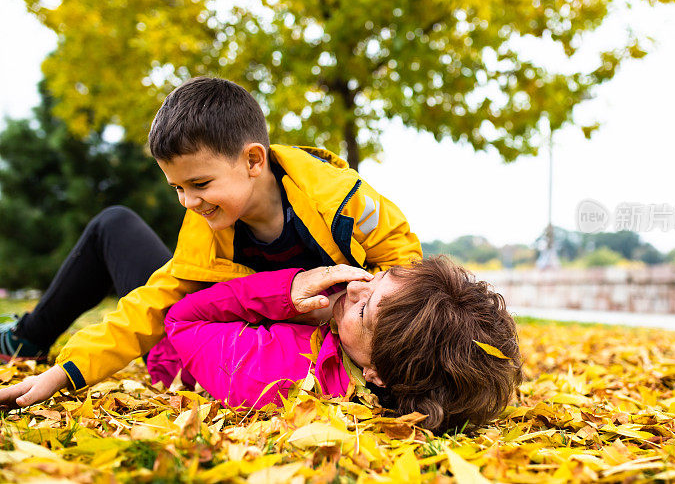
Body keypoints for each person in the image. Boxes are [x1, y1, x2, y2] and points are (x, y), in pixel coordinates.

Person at [0, 76, 421, 408]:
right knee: (114, 225)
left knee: (113, 223)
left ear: (254, 160)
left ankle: (27, 335)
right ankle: (28, 338)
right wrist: (65, 374)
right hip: (206, 318)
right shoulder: (206, 228)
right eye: (177, 188)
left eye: (199, 183)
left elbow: (408, 278)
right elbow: (153, 303)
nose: (188, 201)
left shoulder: (343, 204)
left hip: (253, 346)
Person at [161, 257, 522, 434]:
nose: (352, 287)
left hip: (166, 352)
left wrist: (288, 289)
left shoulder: (280, 376)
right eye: (377, 276)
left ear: (377, 375)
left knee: (115, 226)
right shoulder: (358, 345)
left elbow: (181, 319)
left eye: (363, 309)